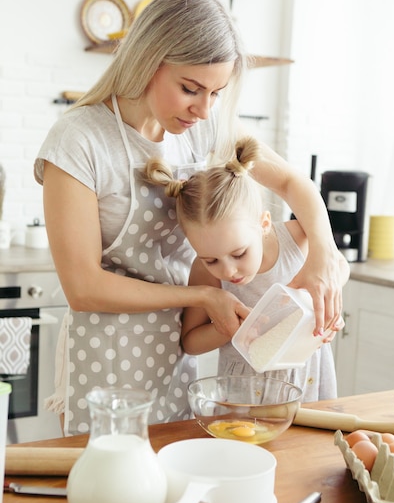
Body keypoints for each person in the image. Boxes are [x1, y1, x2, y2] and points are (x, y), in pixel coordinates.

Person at [34, 0, 345, 434]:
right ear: (148, 59)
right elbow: (83, 286)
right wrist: (201, 296)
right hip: (105, 354)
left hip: (178, 354)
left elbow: (294, 183)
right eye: (190, 88)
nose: (203, 108)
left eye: (216, 93)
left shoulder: (201, 131)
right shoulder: (79, 140)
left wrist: (323, 254)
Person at [143, 137, 350, 400]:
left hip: (306, 377)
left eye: (239, 253)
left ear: (264, 224)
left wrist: (323, 304)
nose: (228, 271)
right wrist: (226, 330)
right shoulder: (204, 273)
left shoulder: (297, 238)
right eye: (211, 259)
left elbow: (339, 267)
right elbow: (190, 342)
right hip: (244, 391)